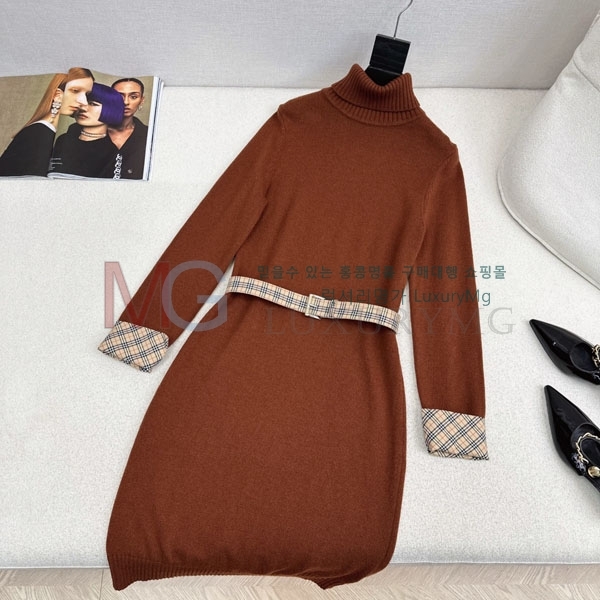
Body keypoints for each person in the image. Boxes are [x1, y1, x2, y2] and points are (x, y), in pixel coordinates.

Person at [0, 67, 94, 177]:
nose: (84, 102)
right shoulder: (40, 133)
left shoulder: (43, 130)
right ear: (57, 95)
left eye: (86, 95)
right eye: (75, 91)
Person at [50, 82, 124, 179]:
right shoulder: (63, 140)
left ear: (111, 108)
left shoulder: (112, 152)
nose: (83, 108)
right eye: (80, 102)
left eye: (92, 104)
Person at [108, 78, 149, 179]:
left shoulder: (149, 135)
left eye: (133, 97)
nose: (126, 102)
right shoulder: (83, 131)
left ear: (141, 100)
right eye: (119, 96)